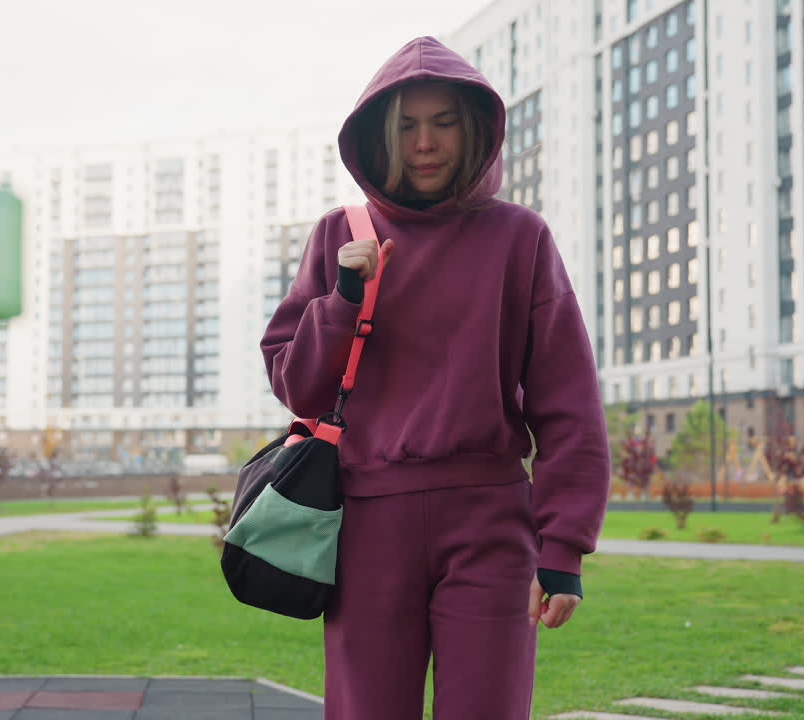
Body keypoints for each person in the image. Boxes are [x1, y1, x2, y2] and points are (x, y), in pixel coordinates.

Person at [260, 36, 609, 720]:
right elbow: (296, 387)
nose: (425, 143)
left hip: (491, 525)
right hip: (367, 524)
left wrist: (563, 545)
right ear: (380, 135)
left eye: (443, 122)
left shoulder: (520, 237)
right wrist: (343, 300)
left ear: (475, 128)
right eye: (407, 125)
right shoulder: (342, 233)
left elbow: (568, 402)